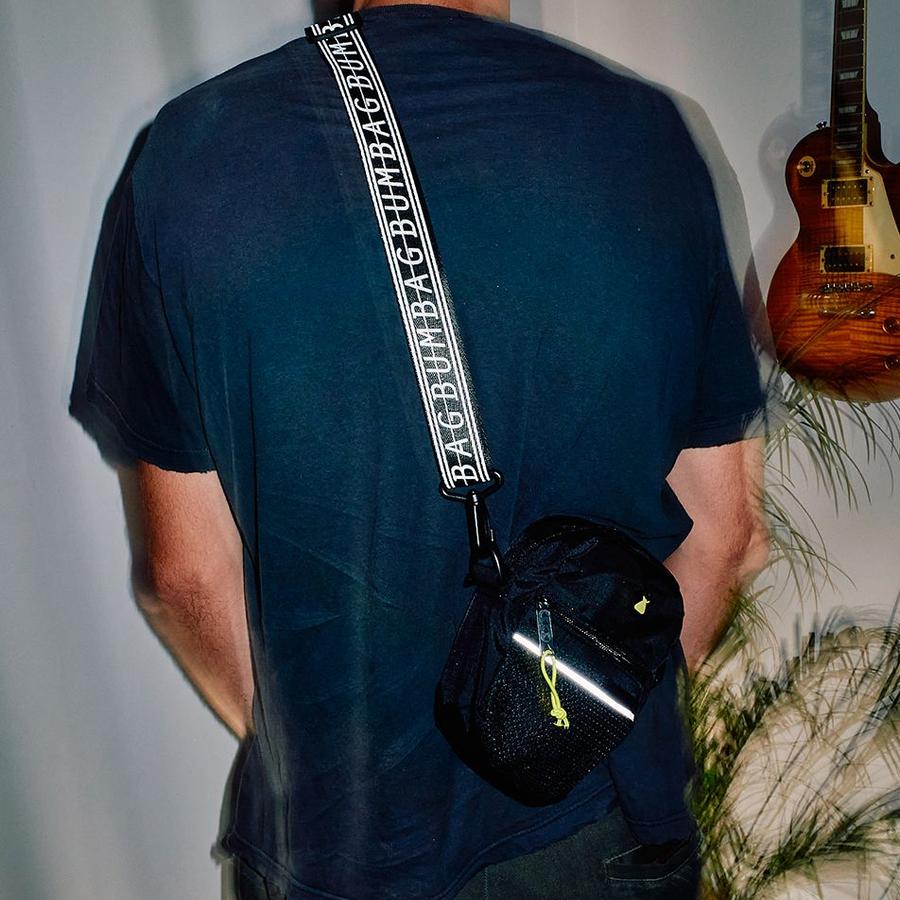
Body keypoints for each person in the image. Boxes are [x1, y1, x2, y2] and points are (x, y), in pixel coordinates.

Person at [68, 0, 774, 897]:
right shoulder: (652, 135)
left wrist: (324, 775)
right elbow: (729, 536)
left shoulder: (191, 153)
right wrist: (580, 728)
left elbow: (182, 579)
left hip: (342, 853)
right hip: (599, 831)